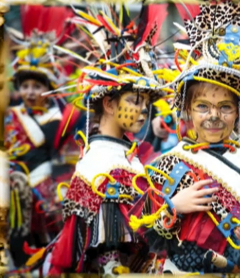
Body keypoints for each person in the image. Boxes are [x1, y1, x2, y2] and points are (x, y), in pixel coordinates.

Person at [128, 2, 240, 274]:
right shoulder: (167, 164)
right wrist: (174, 207)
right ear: (186, 110)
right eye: (203, 106)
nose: (214, 116)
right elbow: (139, 234)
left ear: (239, 110)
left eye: (225, 107)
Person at [44, 6, 167, 276]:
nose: (144, 110)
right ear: (110, 104)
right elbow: (100, 247)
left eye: (146, 103)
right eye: (136, 101)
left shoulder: (127, 157)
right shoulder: (99, 160)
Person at [5, 6, 79, 269]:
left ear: (48, 90)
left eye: (37, 87)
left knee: (47, 234)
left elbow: (54, 150)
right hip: (12, 183)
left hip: (45, 185)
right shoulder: (10, 114)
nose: (30, 92)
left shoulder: (58, 119)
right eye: (25, 86)